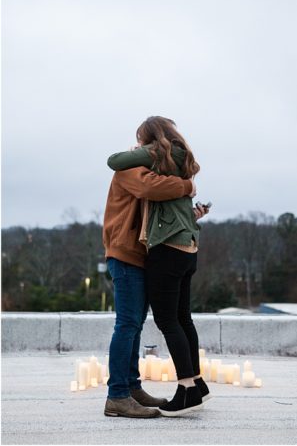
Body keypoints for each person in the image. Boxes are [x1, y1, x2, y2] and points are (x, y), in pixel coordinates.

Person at [107, 116, 210, 417]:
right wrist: (186, 184)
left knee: (137, 324)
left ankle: (131, 387)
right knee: (128, 324)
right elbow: (151, 189)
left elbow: (161, 208)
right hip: (125, 252)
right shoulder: (131, 169)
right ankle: (117, 395)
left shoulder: (154, 166)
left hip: (144, 254)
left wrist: (188, 214)